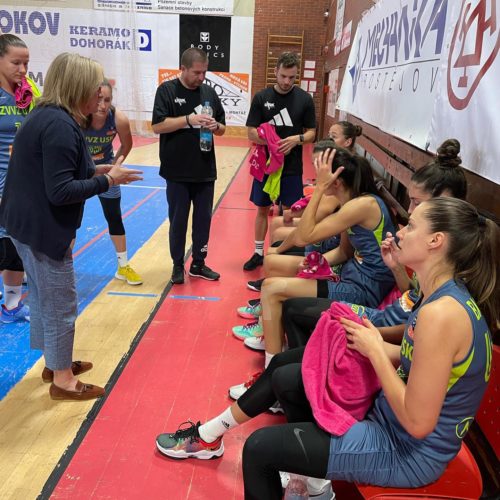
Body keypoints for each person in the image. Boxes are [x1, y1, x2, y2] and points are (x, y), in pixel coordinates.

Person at [241, 197, 497, 499]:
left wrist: (375, 349)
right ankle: (315, 485)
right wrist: (367, 341)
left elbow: (417, 423)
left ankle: (312, 479)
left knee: (258, 449)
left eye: (411, 226)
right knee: (290, 380)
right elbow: (415, 361)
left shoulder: (442, 314)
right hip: (391, 424)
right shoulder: (440, 295)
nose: (400, 232)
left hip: (404, 450)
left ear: (435, 241)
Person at [0, 52, 142, 401]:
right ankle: (62, 380)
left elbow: (56, 172)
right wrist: (108, 181)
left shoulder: (46, 115)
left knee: (44, 297)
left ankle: (54, 363)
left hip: (23, 223)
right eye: (95, 89)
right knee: (61, 302)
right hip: (42, 228)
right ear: (78, 87)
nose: (100, 96)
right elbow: (61, 191)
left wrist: (98, 171)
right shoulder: (61, 126)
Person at [282, 139, 468, 349]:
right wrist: (396, 268)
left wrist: (372, 335)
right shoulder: (427, 245)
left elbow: (416, 331)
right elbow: (414, 296)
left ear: (444, 200)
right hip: (381, 312)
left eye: (416, 202)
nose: (409, 210)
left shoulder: (451, 265)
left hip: (375, 313)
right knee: (288, 309)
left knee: (290, 307)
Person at [152, 48, 226, 285]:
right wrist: (188, 120)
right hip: (177, 171)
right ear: (182, 69)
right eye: (196, 72)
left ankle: (198, 263)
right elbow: (157, 126)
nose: (201, 77)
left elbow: (223, 128)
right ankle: (177, 265)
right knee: (178, 221)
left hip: (205, 170)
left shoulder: (209, 93)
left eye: (204, 72)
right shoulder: (167, 90)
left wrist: (216, 127)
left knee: (203, 221)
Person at [243, 52, 317, 271]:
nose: (286, 81)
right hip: (266, 166)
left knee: (289, 211)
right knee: (262, 209)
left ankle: (283, 252)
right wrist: (269, 141)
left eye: (292, 77)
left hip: (292, 166)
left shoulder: (304, 99)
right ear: (275, 71)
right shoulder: (261, 97)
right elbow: (250, 131)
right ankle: (258, 253)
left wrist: (296, 139)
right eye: (283, 76)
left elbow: (312, 133)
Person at [84, 78, 142, 285]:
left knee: (114, 217)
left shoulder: (119, 119)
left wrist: (114, 166)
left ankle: (123, 266)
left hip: (106, 171)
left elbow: (126, 145)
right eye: (99, 99)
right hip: (81, 172)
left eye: (107, 100)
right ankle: (63, 265)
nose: (102, 105)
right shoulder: (79, 117)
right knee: (70, 219)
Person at [0, 34, 37, 323]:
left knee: (15, 243)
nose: (23, 69)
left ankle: (11, 306)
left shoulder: (28, 90)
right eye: (16, 63)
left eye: (26, 63)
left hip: (21, 185)